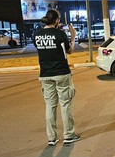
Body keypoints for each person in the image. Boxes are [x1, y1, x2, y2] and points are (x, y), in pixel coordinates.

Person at [33, 9, 80, 146]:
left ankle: (52, 138)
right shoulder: (60, 34)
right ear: (57, 20)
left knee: (50, 106)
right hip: (61, 73)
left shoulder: (37, 35)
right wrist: (73, 36)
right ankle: (69, 135)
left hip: (45, 74)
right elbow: (70, 50)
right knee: (65, 104)